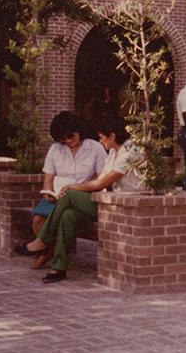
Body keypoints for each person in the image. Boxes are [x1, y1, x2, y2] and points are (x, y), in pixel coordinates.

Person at [27, 117, 142, 282]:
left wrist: (72, 187)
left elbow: (101, 182)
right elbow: (101, 180)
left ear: (112, 136)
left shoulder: (129, 153)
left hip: (125, 206)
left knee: (70, 194)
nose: (100, 142)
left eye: (102, 138)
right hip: (110, 202)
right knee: (68, 216)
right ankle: (58, 268)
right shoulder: (112, 153)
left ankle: (43, 240)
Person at [15, 111, 105, 256]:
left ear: (79, 130)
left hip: (82, 196)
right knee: (38, 218)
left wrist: (77, 189)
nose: (68, 141)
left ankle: (44, 249)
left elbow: (102, 181)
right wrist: (48, 195)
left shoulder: (95, 148)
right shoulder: (55, 150)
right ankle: (48, 251)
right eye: (63, 139)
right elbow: (48, 180)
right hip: (57, 195)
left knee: (65, 215)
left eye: (71, 136)